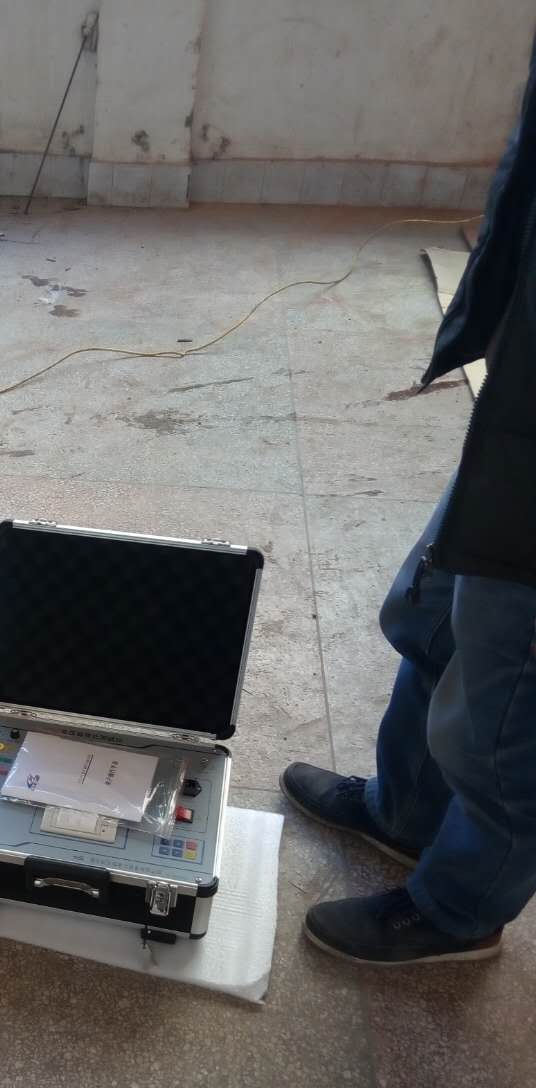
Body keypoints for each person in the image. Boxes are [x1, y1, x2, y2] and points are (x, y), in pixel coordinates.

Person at [283, 39, 536, 968]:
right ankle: (406, 813)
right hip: (523, 398)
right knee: (431, 613)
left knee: (510, 700)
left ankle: (461, 908)